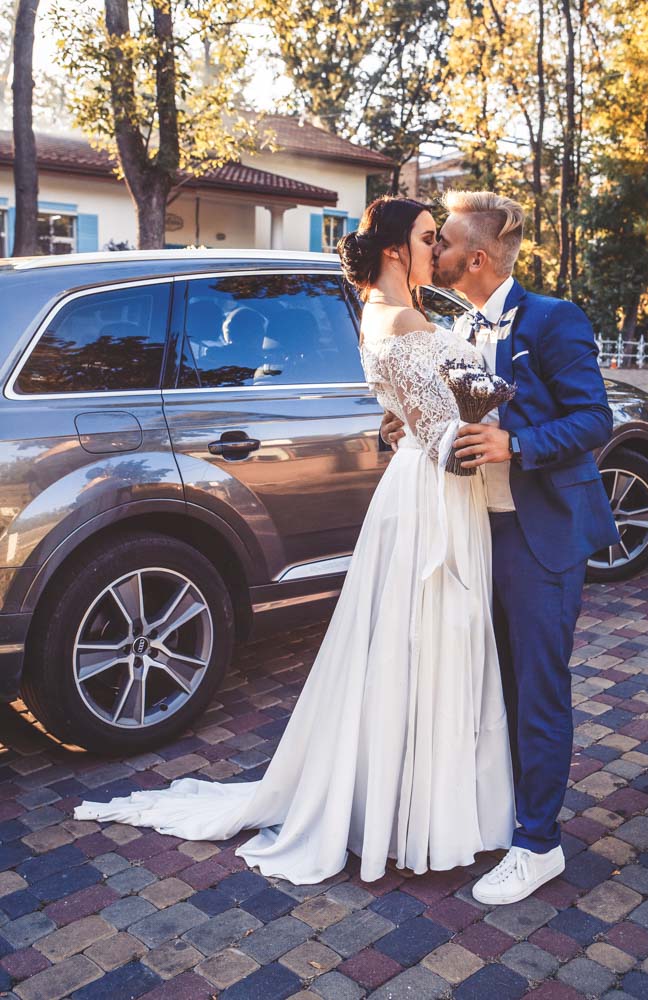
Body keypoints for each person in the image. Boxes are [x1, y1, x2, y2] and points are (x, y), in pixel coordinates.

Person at [74, 196, 516, 886]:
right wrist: (490, 422)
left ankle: (407, 799)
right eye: (429, 238)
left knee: (405, 646)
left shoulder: (382, 312)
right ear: (396, 249)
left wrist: (412, 422)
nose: (438, 250)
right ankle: (424, 814)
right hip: (433, 497)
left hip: (414, 489)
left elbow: (411, 413)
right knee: (427, 640)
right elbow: (442, 437)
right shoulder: (402, 318)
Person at [381, 190, 619, 904]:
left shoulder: (552, 318)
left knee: (535, 689)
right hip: (470, 534)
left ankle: (538, 845)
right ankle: (497, 813)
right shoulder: (451, 326)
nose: (435, 250)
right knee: (486, 684)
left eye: (444, 241)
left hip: (538, 534)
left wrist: (516, 444)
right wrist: (406, 430)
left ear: (477, 257)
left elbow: (593, 419)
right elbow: (441, 419)